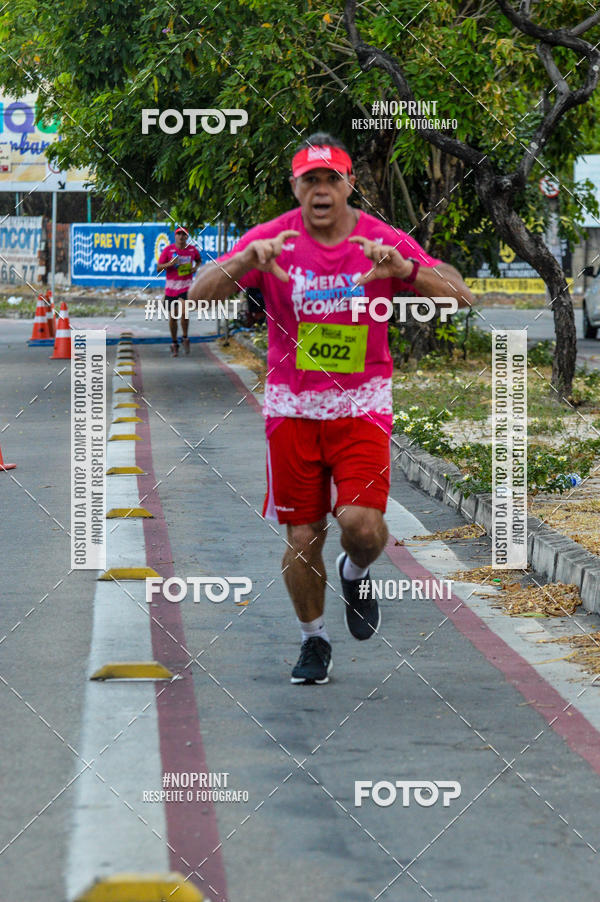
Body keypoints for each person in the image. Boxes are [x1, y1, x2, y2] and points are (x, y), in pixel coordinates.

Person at [188, 132, 476, 685]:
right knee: (301, 538)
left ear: (350, 186)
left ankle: (356, 570)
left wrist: (405, 272)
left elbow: (460, 296)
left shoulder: (378, 240)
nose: (321, 190)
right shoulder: (271, 239)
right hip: (292, 410)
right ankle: (314, 641)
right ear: (295, 187)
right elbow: (197, 296)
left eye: (331, 179)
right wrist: (244, 260)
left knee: (364, 529)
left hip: (360, 408)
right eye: (310, 180)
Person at [157, 226, 202, 356]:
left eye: (184, 234)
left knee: (183, 312)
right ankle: (174, 342)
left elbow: (199, 260)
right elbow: (158, 268)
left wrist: (195, 268)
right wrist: (169, 264)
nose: (181, 237)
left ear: (187, 237)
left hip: (186, 287)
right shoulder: (168, 250)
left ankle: (185, 337)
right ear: (175, 236)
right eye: (179, 234)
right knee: (172, 317)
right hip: (171, 289)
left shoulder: (192, 250)